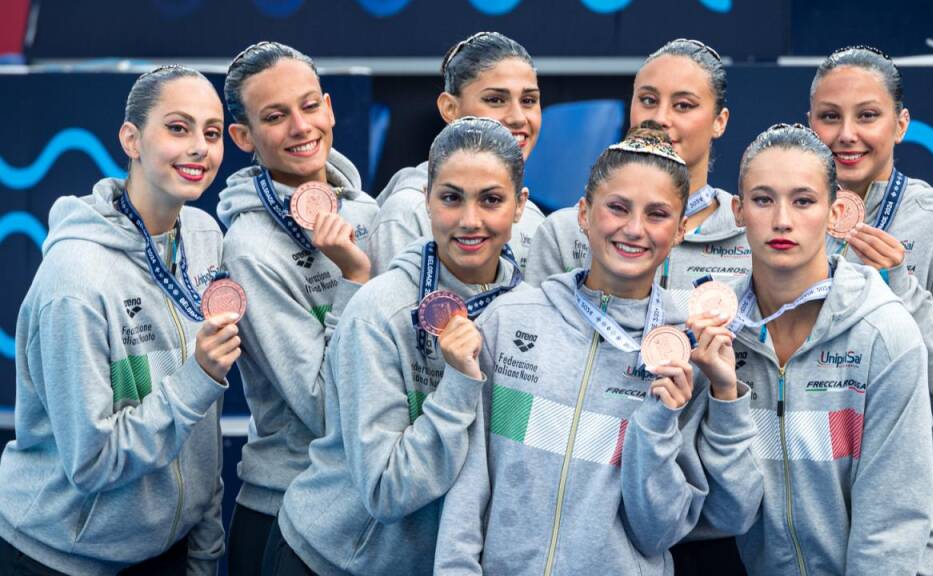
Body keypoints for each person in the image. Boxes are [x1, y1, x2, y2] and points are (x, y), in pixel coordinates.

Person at [434, 125, 761, 575]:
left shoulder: (687, 350)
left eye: (657, 214)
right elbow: (467, 484)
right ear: (584, 214)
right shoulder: (511, 319)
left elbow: (659, 533)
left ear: (682, 228)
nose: (634, 229)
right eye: (618, 208)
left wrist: (658, 424)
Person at [264, 117, 529, 575]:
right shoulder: (381, 311)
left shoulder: (529, 317)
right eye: (450, 198)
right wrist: (459, 384)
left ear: (520, 206)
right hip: (332, 561)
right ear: (426, 200)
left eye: (491, 200)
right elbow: (387, 490)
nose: (470, 220)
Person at [0, 66, 238, 575]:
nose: (200, 146)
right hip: (62, 556)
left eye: (212, 133)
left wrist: (205, 546)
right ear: (131, 138)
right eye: (178, 128)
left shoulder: (202, 236)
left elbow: (202, 431)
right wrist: (197, 378)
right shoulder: (75, 280)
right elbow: (93, 461)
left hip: (167, 552)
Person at [729, 123, 933, 575]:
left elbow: (890, 528)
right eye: (763, 200)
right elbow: (728, 510)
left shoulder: (884, 331)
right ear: (738, 211)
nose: (782, 220)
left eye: (803, 201)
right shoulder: (721, 334)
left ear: (835, 211)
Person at [809, 46, 933, 575]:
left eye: (867, 115)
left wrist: (899, 286)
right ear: (810, 124)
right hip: (842, 529)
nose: (846, 134)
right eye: (830, 116)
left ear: (901, 125)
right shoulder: (797, 235)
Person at [215, 41, 381, 575]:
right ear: (243, 137)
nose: (300, 127)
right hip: (283, 512)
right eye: (275, 116)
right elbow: (324, 408)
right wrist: (356, 279)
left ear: (329, 108)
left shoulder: (368, 211)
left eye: (309, 106)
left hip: (364, 508)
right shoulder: (250, 247)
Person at [526, 38, 750, 297]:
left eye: (683, 105)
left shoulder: (748, 238)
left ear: (719, 122)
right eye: (648, 100)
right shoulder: (563, 232)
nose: (659, 118)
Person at [367, 31, 545, 274]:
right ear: (450, 108)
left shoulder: (533, 218)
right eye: (495, 100)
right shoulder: (407, 213)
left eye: (528, 100)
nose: (517, 117)